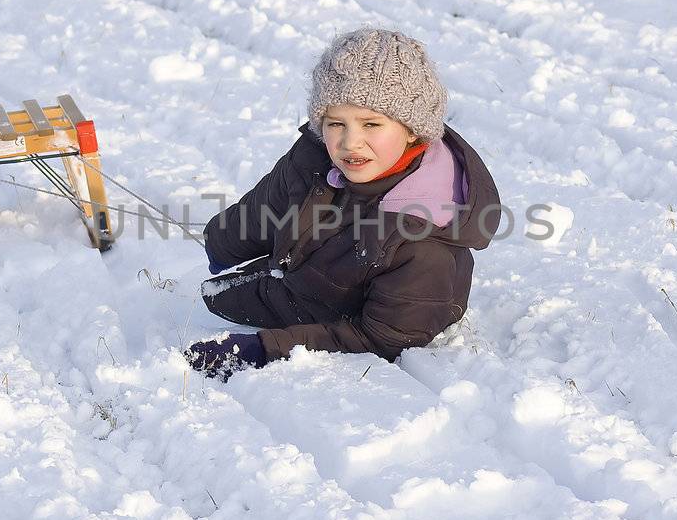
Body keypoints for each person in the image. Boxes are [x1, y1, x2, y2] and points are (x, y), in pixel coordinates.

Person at [183, 27, 501, 380]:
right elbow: (268, 205)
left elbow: (380, 338)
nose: (351, 142)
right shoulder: (317, 155)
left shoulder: (425, 241)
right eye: (336, 122)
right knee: (212, 296)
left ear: (413, 129)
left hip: (342, 322)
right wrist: (222, 243)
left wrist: (266, 348)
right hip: (304, 276)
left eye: (371, 124)